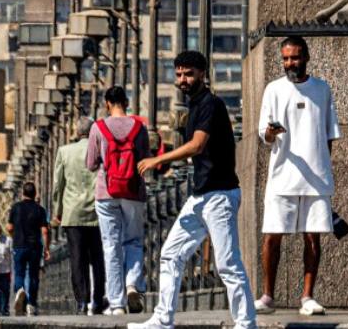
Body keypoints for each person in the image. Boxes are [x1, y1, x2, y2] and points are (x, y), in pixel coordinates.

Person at [129, 51, 255, 329]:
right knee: (170, 254)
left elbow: (197, 145)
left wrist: (157, 159)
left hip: (219, 195)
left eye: (188, 74)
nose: (182, 80)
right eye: (178, 74)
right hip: (200, 196)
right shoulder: (194, 106)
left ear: (202, 73)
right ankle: (163, 319)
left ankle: (246, 324)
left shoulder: (210, 103)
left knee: (227, 264)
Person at [254, 35, 339, 317]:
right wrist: (270, 133)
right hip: (282, 176)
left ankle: (307, 297)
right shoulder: (273, 89)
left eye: (295, 57)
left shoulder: (322, 89)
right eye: (286, 58)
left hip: (316, 178)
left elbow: (329, 135)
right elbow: (263, 133)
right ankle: (268, 296)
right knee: (271, 238)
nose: (290, 63)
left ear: (306, 57)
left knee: (312, 238)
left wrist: (323, 168)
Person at [87, 85, 151, 316]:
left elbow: (91, 163)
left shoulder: (98, 127)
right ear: (126, 102)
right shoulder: (139, 127)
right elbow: (145, 158)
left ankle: (116, 303)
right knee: (133, 240)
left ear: (107, 104)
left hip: (106, 192)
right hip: (133, 191)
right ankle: (133, 285)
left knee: (111, 246)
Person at [53, 117, 107, 316]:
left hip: (73, 213)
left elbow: (58, 186)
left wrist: (57, 211)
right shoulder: (101, 151)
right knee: (98, 258)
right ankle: (98, 299)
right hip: (97, 211)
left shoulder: (64, 152)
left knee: (77, 259)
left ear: (77, 131)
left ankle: (81, 301)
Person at [7, 181, 50, 316]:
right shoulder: (40, 209)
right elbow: (44, 231)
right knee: (33, 276)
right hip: (34, 247)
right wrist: (47, 249)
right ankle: (31, 304)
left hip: (19, 246)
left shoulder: (15, 208)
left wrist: (14, 236)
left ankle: (20, 291)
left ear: (23, 193)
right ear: (35, 193)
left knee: (19, 273)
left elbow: (9, 227)